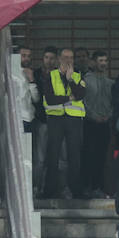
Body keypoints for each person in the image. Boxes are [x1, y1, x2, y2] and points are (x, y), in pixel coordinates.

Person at [39, 48, 87, 199]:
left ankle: (76, 191)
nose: (68, 60)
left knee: (75, 157)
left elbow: (81, 95)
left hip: (74, 120)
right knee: (52, 156)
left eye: (71, 58)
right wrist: (68, 98)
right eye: (65, 57)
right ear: (59, 59)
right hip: (56, 119)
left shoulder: (78, 76)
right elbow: (50, 98)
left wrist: (70, 79)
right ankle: (49, 191)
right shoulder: (50, 76)